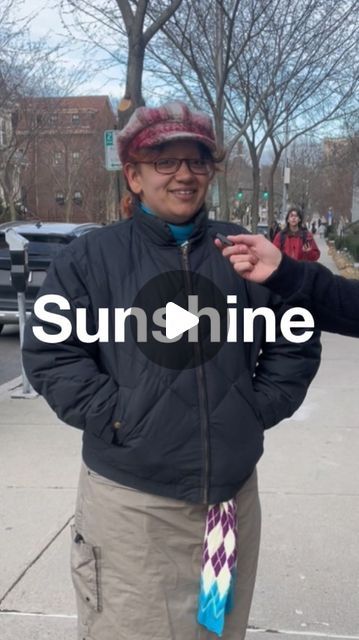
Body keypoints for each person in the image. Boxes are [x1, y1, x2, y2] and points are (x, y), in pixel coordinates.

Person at [22, 101, 321, 640]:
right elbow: (51, 354)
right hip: (133, 511)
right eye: (164, 161)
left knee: (216, 629)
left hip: (226, 508)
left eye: (197, 161)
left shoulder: (247, 254)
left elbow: (295, 335)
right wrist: (121, 419)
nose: (184, 174)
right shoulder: (88, 261)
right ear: (133, 175)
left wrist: (255, 410)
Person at [215, 233, 359, 337]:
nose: (293, 218)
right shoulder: (281, 236)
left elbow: (314, 254)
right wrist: (283, 270)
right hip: (290, 278)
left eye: (296, 216)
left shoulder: (305, 235)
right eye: (291, 216)